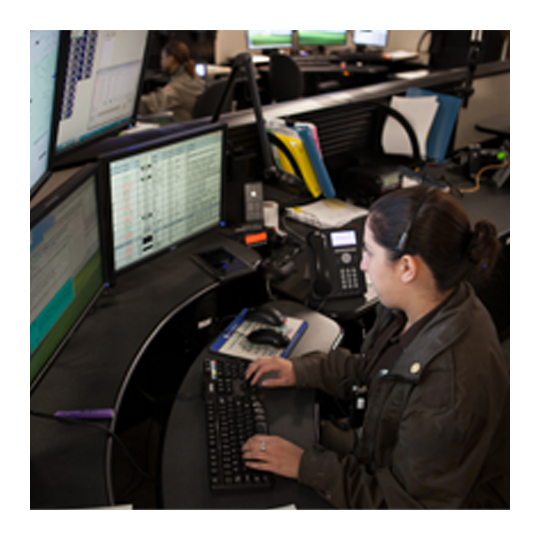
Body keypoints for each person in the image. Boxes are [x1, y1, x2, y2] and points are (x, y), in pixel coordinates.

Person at [241, 186, 510, 509]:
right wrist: (302, 370)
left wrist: (306, 466)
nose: (363, 265)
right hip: (381, 450)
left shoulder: (448, 389)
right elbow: (373, 369)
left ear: (407, 268)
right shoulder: (418, 303)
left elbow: (405, 509)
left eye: (369, 252)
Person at [138, 40, 205, 121]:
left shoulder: (179, 85)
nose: (161, 61)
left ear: (171, 59)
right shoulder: (193, 78)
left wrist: (130, 104)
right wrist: (164, 91)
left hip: (183, 123)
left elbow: (152, 104)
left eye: (162, 58)